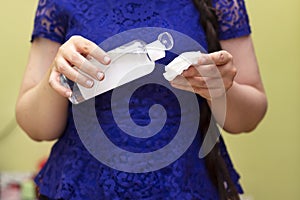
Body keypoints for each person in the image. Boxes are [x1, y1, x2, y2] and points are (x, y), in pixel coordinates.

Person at [16, 0, 267, 199]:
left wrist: (219, 89)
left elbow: (247, 119)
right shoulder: (57, 3)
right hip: (83, 185)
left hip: (188, 183)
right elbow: (37, 127)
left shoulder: (223, 3)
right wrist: (57, 73)